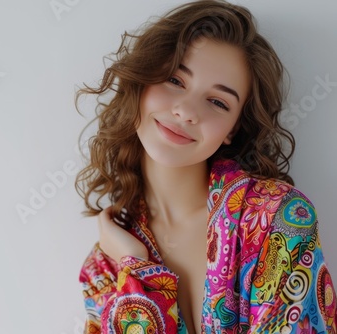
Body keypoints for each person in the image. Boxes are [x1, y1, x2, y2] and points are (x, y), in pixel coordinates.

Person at [74, 0, 337, 333]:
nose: (186, 111)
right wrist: (135, 265)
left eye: (217, 101)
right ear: (140, 82)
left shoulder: (277, 219)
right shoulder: (103, 270)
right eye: (174, 80)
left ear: (232, 129)